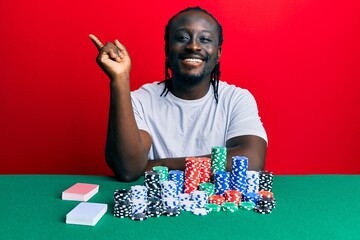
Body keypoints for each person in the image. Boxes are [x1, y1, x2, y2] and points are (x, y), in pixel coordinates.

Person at [89, 7, 267, 182]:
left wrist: (158, 165)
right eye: (182, 38)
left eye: (205, 39)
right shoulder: (140, 101)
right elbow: (128, 170)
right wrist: (120, 79)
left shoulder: (236, 99)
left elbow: (252, 160)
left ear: (218, 53)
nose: (193, 46)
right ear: (167, 50)